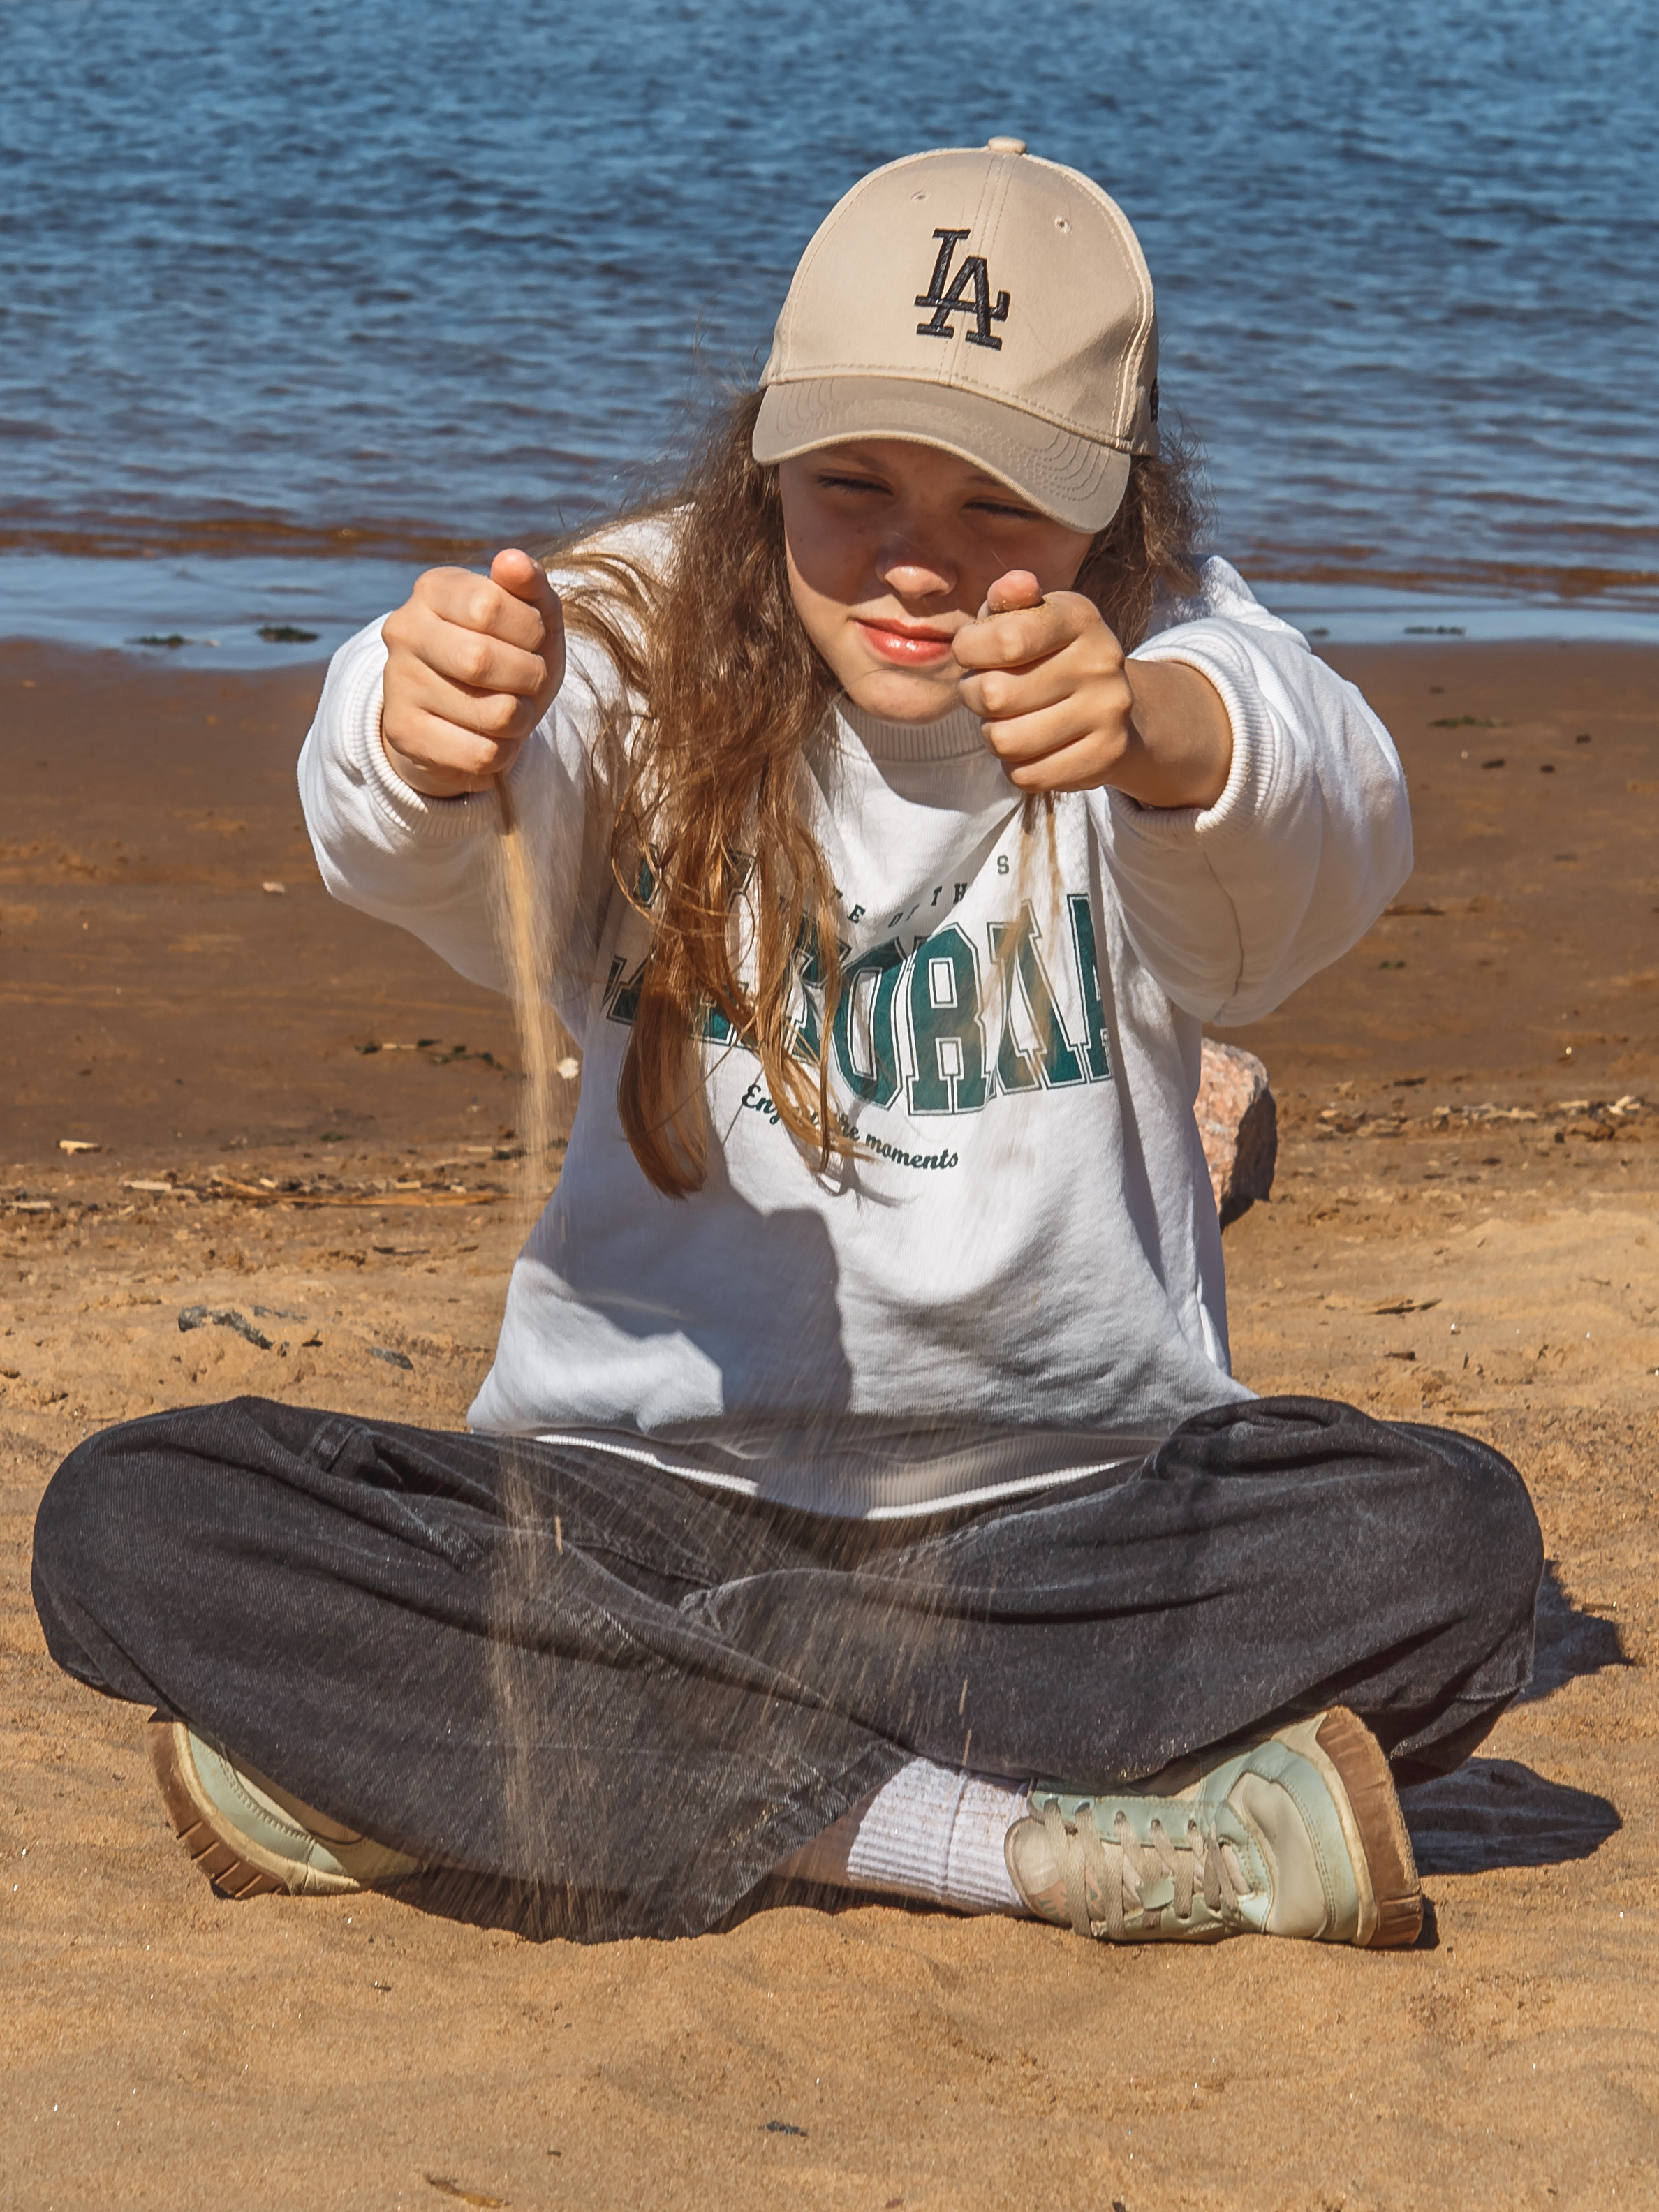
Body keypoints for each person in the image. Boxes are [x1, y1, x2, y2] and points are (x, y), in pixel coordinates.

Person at [32, 140, 1542, 1948]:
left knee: (1450, 1547)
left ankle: (492, 1757)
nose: (916, 562)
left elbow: (1314, 792)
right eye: (852, 485)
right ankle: (998, 1843)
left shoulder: (1167, 660)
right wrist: (415, 727)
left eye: (999, 502)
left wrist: (1158, 731)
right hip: (629, 1506)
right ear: (761, 456)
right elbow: (416, 809)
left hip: (1057, 1528)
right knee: (134, 1523)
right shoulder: (643, 623)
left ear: (1120, 505)